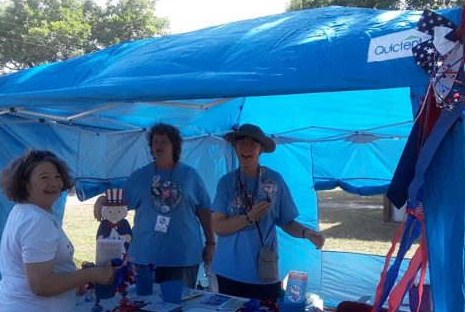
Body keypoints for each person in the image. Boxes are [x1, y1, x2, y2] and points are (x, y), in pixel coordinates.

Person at [0, 149, 116, 312]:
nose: (53, 183)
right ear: (25, 183)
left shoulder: (24, 212)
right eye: (44, 177)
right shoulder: (36, 221)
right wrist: (92, 275)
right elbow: (41, 284)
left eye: (57, 176)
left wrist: (75, 277)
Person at [211, 123, 325, 301]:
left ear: (261, 149)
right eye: (241, 143)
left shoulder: (274, 180)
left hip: (264, 272)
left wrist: (307, 233)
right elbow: (219, 227)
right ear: (235, 146)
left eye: (252, 144)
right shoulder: (226, 182)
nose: (246, 149)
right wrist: (249, 217)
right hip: (229, 271)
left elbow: (286, 222)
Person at [94, 123, 215, 289]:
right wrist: (102, 199)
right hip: (145, 256)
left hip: (183, 256)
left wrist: (210, 243)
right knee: (143, 306)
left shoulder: (190, 175)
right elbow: (120, 204)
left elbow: (204, 210)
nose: (159, 145)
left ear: (175, 146)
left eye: (164, 141)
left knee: (178, 306)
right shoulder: (139, 176)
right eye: (155, 141)